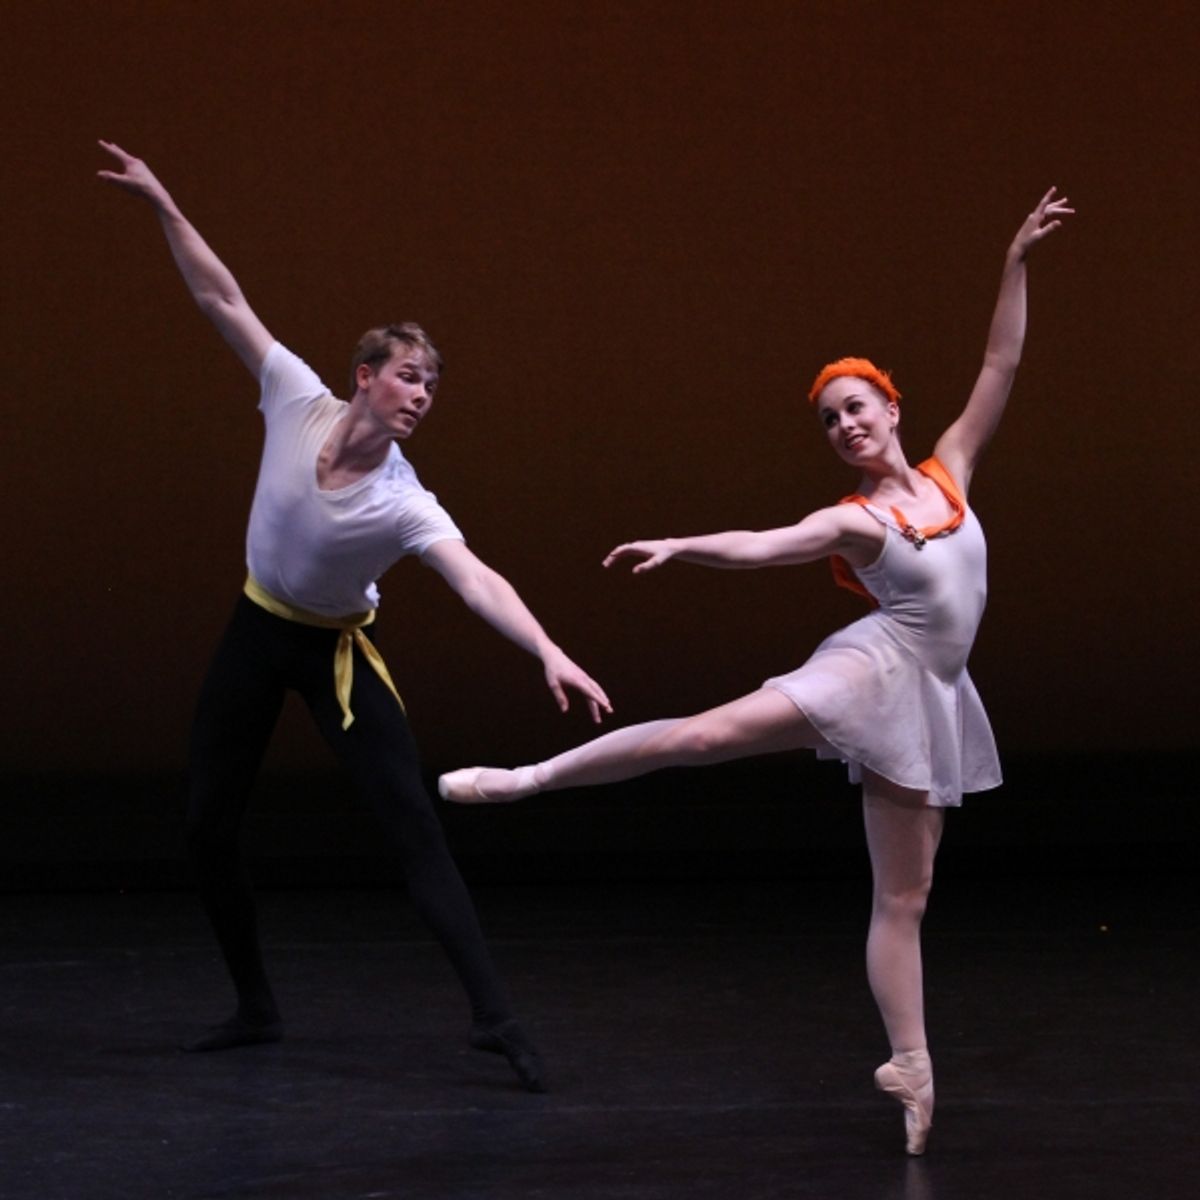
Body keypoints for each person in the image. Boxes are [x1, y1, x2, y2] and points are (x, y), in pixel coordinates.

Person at [439, 189, 1073, 1149]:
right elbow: (763, 543)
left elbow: (1001, 360)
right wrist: (681, 543)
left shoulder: (950, 469)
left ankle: (911, 1065)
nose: (844, 427)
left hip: (934, 699)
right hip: (876, 671)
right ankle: (529, 778)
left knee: (905, 898)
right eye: (828, 422)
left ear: (891, 409)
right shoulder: (853, 521)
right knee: (705, 736)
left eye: (855, 408)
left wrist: (1015, 259)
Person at [96, 139, 612, 1093]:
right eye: (410, 376)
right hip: (257, 634)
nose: (422, 396)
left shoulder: (405, 500)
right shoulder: (295, 395)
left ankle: (495, 1019)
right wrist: (166, 204)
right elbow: (222, 299)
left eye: (432, 387)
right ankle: (256, 1006)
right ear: (368, 372)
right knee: (207, 826)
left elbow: (474, 578)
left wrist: (545, 646)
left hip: (335, 651)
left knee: (413, 828)